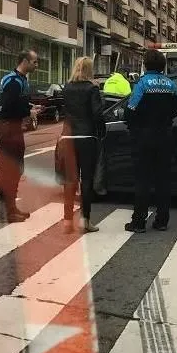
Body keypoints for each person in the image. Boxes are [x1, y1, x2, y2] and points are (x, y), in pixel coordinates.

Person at [123, 49, 177, 233]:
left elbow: (130, 110)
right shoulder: (171, 84)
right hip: (165, 137)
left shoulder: (142, 84)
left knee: (143, 180)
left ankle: (138, 222)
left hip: (144, 138)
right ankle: (162, 220)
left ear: (146, 65)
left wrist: (136, 127)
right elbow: (176, 109)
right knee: (163, 180)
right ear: (163, 65)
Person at [0, 49, 42, 223]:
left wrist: (29, 107)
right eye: (34, 62)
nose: (37, 65)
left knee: (14, 169)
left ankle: (9, 209)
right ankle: (6, 211)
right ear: (25, 61)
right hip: (8, 129)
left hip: (9, 128)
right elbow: (8, 107)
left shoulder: (18, 79)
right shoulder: (14, 81)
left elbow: (15, 103)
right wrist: (28, 111)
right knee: (10, 169)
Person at [60, 56, 105, 234]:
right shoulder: (92, 88)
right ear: (89, 70)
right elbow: (97, 114)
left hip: (68, 137)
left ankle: (67, 221)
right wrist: (101, 132)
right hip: (87, 136)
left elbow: (66, 111)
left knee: (70, 180)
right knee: (86, 179)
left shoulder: (67, 87)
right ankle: (85, 220)